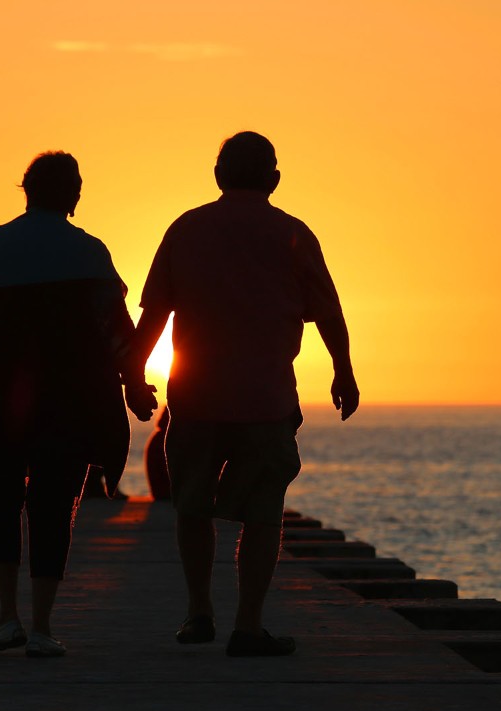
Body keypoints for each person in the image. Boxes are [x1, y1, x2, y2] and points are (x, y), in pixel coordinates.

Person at [130, 131, 359, 656]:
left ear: (218, 177)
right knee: (262, 514)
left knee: (191, 506)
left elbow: (153, 317)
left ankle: (198, 613)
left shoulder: (185, 230)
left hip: (197, 399)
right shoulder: (293, 234)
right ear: (274, 179)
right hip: (266, 400)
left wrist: (134, 377)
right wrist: (343, 372)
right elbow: (329, 313)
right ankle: (249, 626)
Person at [0, 152, 155, 658]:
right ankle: (41, 627)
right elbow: (119, 331)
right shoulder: (88, 251)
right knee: (53, 506)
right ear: (72, 195)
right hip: (70, 400)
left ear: (26, 190)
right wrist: (134, 384)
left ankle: (6, 619)